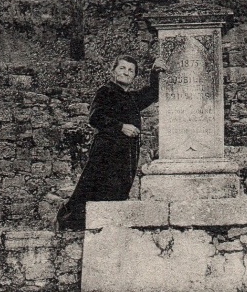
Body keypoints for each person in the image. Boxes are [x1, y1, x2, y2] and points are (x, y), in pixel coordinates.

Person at [56, 54, 165, 231]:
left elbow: (152, 93)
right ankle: (71, 224)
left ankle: (106, 229)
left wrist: (155, 71)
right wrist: (121, 126)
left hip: (125, 154)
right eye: (122, 68)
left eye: (131, 70)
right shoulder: (106, 91)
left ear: (134, 76)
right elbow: (95, 117)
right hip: (106, 153)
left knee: (117, 193)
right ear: (113, 71)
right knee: (96, 191)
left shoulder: (130, 97)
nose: (126, 73)